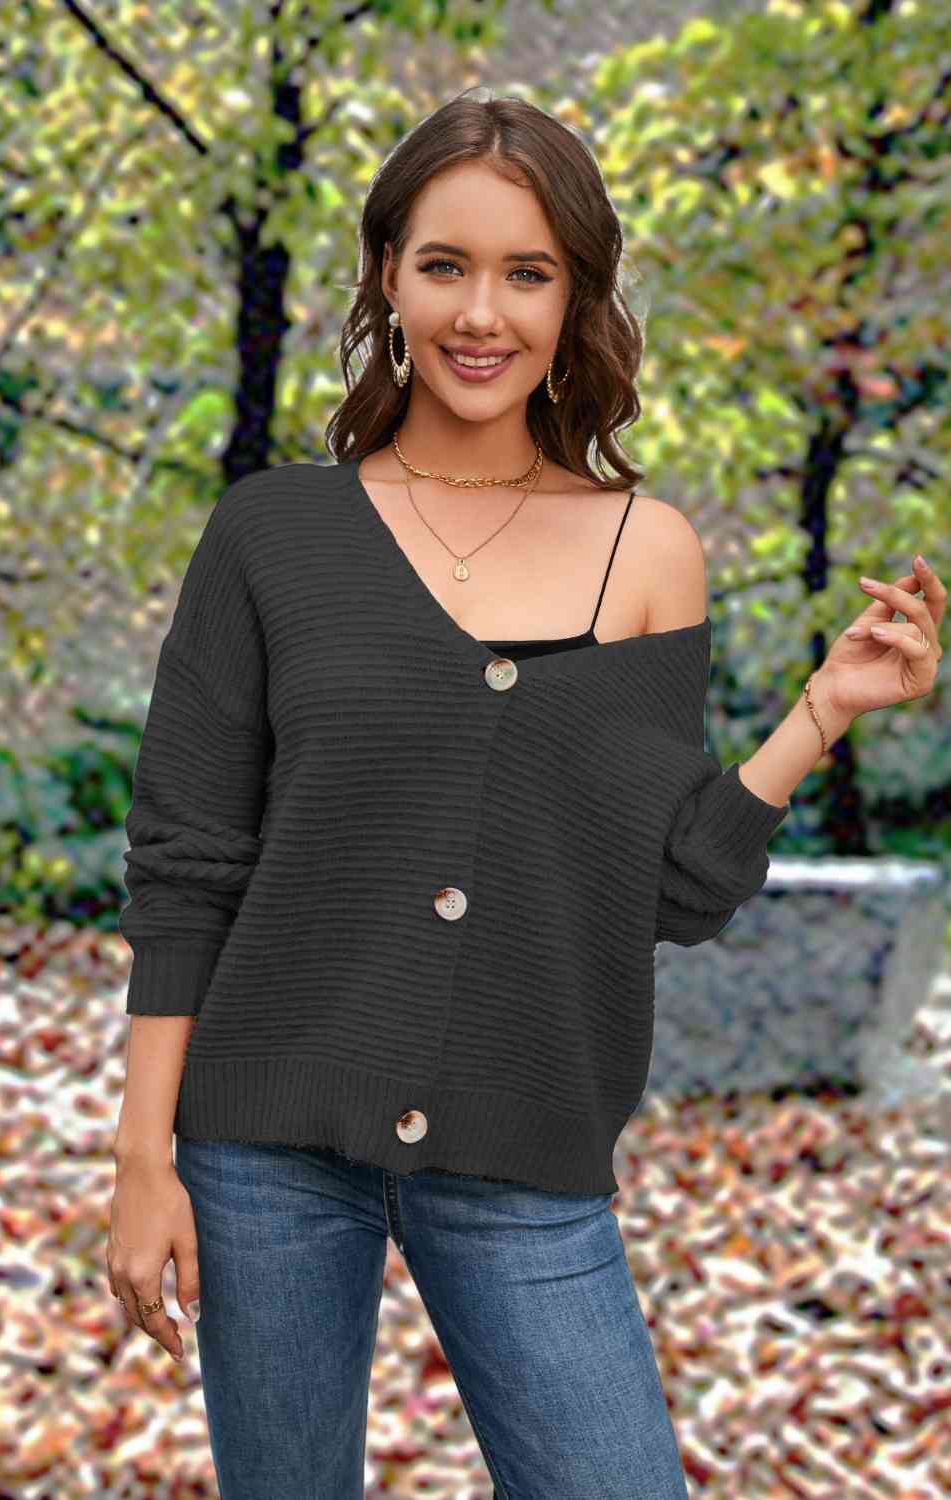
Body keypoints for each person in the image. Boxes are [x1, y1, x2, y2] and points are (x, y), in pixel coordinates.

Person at [106, 89, 944, 1499]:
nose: (481, 314)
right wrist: (144, 1155)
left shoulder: (646, 550)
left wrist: (823, 712)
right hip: (263, 1147)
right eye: (446, 265)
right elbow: (188, 864)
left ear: (576, 299)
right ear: (388, 276)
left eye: (528, 273)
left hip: (526, 1145)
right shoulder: (272, 534)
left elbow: (671, 889)